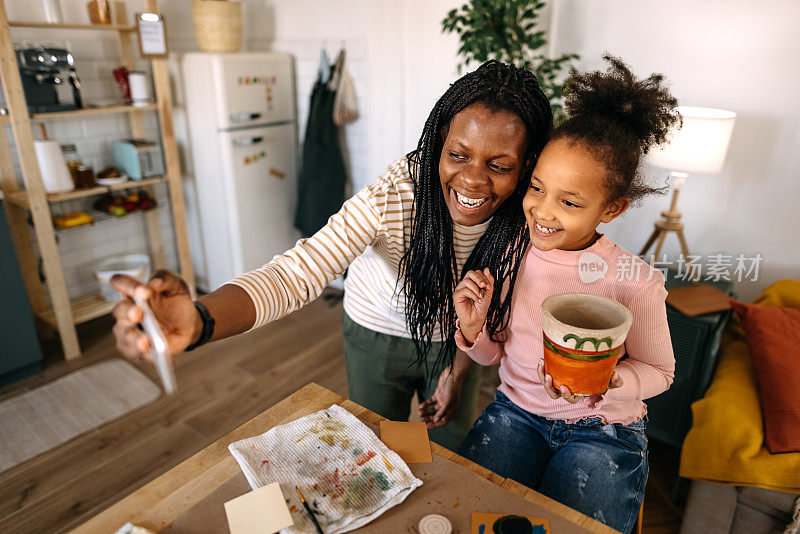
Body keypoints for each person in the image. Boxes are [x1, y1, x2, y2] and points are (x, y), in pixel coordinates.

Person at [110, 60, 553, 451]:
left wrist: (457, 372)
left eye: (500, 166)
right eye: (457, 155)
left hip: (461, 341)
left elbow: (499, 303)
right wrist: (201, 320)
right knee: (378, 445)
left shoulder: (529, 213)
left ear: (527, 163)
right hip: (376, 333)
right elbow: (297, 273)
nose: (473, 180)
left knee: (449, 448)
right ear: (439, 141)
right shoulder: (394, 196)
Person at [452, 55, 679, 532]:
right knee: (470, 512)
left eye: (570, 202)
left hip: (604, 431)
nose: (541, 210)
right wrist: (473, 327)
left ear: (612, 208)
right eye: (536, 187)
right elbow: (496, 355)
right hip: (517, 414)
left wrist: (610, 381)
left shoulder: (634, 279)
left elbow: (661, 371)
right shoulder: (514, 251)